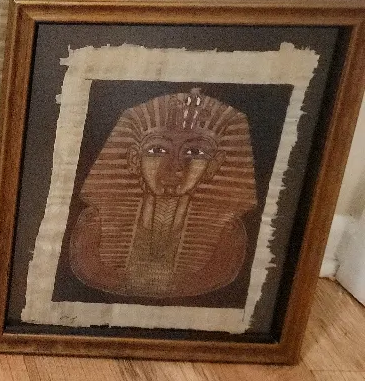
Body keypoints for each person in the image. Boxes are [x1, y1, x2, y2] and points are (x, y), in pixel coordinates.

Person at [69, 89, 257, 298]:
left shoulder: (227, 234)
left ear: (213, 165)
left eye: (195, 152)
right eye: (157, 150)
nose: (175, 167)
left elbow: (212, 275)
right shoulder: (94, 224)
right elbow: (94, 270)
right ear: (134, 159)